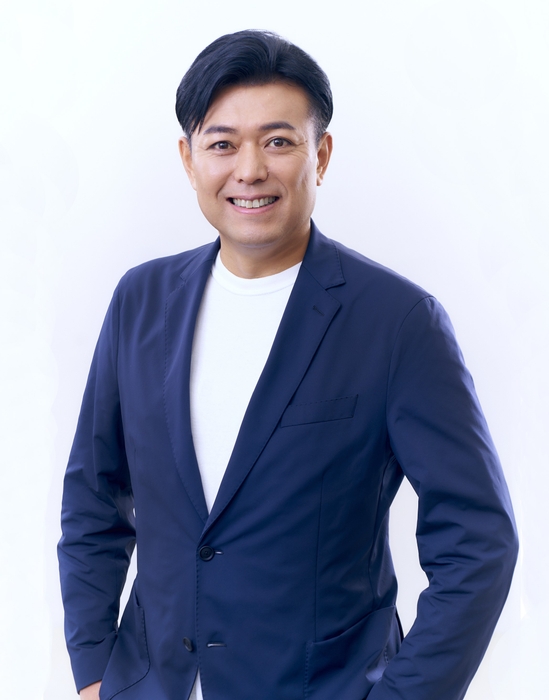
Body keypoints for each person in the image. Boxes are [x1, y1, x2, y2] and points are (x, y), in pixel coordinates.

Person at [58, 30, 518, 700]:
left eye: (277, 141)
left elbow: (478, 541)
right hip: (148, 685)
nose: (249, 170)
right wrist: (94, 669)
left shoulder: (396, 321)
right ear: (188, 159)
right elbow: (94, 497)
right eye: (222, 144)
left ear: (320, 155)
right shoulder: (141, 299)